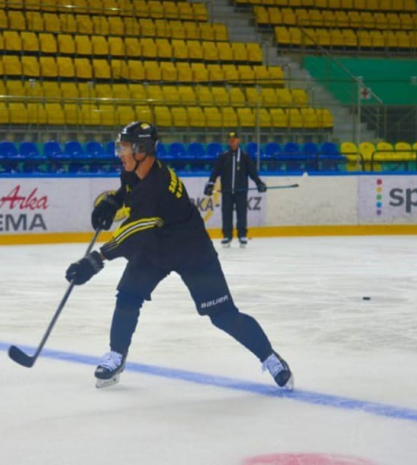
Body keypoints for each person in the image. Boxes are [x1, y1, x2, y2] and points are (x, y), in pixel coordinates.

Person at [65, 122, 293, 390]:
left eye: (125, 147)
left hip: (191, 250)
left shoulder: (156, 186)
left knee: (223, 314)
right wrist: (112, 202)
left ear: (142, 150)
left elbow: (133, 231)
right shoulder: (133, 170)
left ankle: (270, 356)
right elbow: (127, 193)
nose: (120, 153)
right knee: (128, 295)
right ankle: (116, 355)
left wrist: (96, 260)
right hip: (155, 247)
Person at [204, 131, 267, 248]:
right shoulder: (223, 156)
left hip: (241, 191)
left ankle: (242, 235)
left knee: (242, 213)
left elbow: (253, 173)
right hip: (227, 191)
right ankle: (227, 235)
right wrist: (210, 184)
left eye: (234, 139)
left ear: (238, 141)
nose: (232, 141)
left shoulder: (244, 156)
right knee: (226, 213)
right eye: (230, 139)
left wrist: (259, 183)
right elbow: (215, 172)